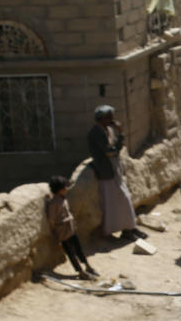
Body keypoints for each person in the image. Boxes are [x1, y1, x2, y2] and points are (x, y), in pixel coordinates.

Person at [87, 106, 145, 242]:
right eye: (110, 117)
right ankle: (117, 231)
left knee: (124, 199)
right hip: (106, 172)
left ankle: (130, 228)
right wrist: (121, 135)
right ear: (102, 118)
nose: (112, 120)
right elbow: (111, 151)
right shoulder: (96, 132)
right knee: (115, 202)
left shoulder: (107, 130)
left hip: (114, 171)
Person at [46, 175, 97, 280]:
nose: (66, 189)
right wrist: (54, 231)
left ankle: (87, 266)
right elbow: (52, 219)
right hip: (62, 230)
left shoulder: (62, 198)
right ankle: (80, 271)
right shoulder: (53, 203)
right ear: (59, 190)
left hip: (70, 227)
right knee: (70, 252)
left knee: (78, 248)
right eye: (64, 187)